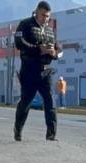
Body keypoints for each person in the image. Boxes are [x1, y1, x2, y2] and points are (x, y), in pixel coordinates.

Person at [13, 1, 62, 141]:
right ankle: (18, 130)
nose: (45, 19)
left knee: (50, 102)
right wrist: (38, 49)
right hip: (29, 70)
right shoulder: (25, 24)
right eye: (43, 15)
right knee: (26, 102)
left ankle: (51, 135)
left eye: (47, 16)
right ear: (36, 12)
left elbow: (60, 49)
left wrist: (55, 53)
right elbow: (19, 42)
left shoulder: (50, 30)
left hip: (45, 72)